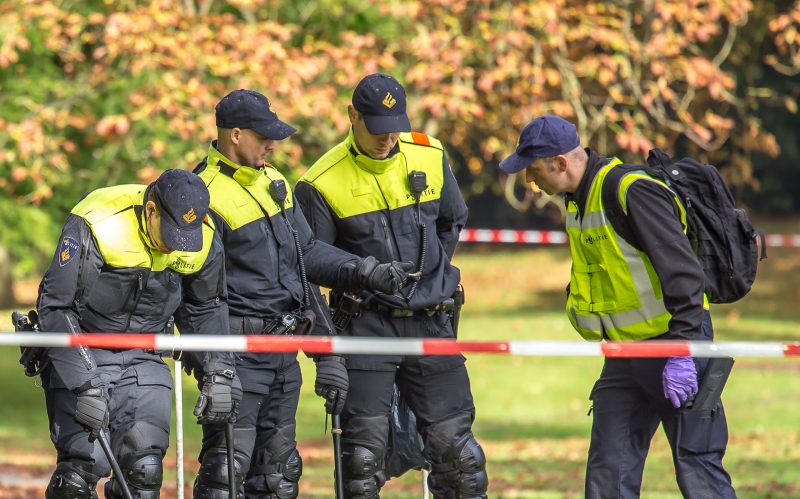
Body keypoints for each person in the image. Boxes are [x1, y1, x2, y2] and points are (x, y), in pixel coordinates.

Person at [187, 89, 411, 499]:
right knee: (226, 476)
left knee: (279, 477)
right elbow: (201, 300)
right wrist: (215, 369)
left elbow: (304, 260)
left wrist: (364, 273)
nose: (273, 144)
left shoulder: (274, 180)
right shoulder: (203, 195)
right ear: (235, 135)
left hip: (284, 358)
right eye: (263, 136)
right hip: (238, 358)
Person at [499, 115, 736, 499]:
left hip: (674, 346)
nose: (530, 180)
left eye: (534, 170)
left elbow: (685, 276)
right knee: (608, 473)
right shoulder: (577, 201)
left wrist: (683, 350)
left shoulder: (630, 190)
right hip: (624, 356)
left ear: (561, 163)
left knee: (697, 468)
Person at [296, 74, 486, 499]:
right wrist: (362, 273)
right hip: (365, 330)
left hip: (433, 325)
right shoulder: (319, 182)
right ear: (352, 116)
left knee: (461, 459)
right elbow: (308, 261)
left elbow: (451, 219)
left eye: (395, 127)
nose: (387, 139)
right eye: (377, 128)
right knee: (361, 464)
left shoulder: (429, 153)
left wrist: (431, 275)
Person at [36, 169, 239, 499]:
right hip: (84, 348)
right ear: (151, 211)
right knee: (80, 471)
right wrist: (84, 382)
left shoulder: (203, 233)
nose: (176, 248)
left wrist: (219, 371)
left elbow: (207, 307)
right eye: (171, 235)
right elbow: (56, 307)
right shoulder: (98, 221)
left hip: (145, 355)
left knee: (144, 471)